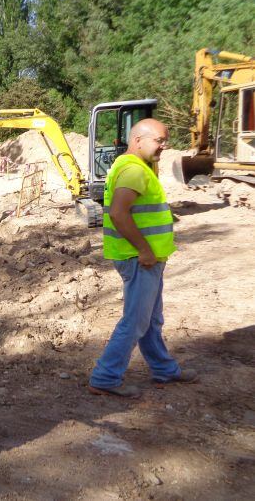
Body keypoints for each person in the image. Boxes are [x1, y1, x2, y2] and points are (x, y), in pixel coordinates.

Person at [88, 119, 198, 399]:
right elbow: (118, 213)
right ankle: (105, 377)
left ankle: (164, 369)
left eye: (165, 140)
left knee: (150, 319)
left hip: (145, 258)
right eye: (159, 140)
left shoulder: (136, 167)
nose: (164, 146)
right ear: (138, 140)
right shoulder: (133, 171)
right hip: (139, 258)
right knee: (136, 321)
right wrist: (145, 250)